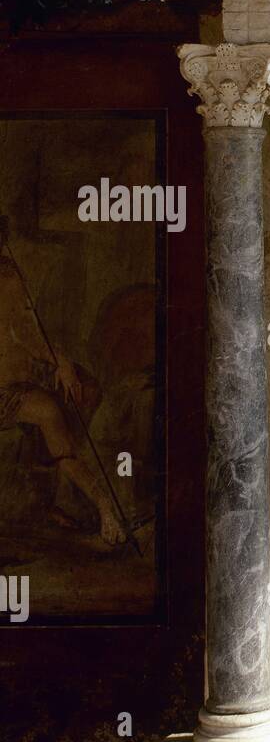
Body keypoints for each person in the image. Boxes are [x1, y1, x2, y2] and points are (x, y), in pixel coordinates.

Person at [0, 220, 125, 546]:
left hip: (18, 381)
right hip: (8, 390)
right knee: (53, 410)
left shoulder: (9, 274)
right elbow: (22, 335)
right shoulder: (9, 278)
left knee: (87, 389)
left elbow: (26, 332)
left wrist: (61, 362)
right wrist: (57, 362)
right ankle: (100, 504)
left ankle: (64, 498)